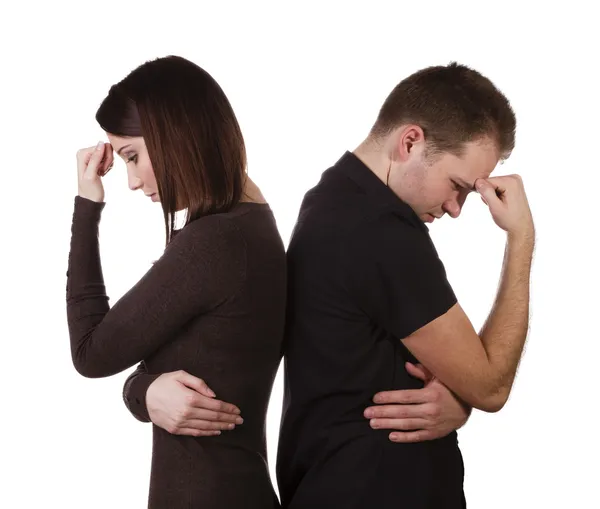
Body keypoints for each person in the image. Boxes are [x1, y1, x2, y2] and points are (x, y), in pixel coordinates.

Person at [276, 62, 534, 509]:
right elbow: (491, 386)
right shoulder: (380, 231)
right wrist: (521, 239)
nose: (455, 209)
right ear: (410, 141)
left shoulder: (331, 197)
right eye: (457, 186)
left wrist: (458, 397)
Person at [65, 55, 286, 509]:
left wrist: (87, 206)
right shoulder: (247, 224)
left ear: (175, 135)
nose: (130, 180)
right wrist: (144, 390)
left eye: (133, 157)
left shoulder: (217, 241)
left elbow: (90, 351)